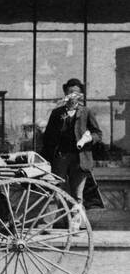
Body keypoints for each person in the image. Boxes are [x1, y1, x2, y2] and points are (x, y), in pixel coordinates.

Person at [41, 78, 104, 218]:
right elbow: (48, 138)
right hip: (61, 158)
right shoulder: (57, 113)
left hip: (80, 159)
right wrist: (48, 157)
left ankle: (75, 224)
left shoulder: (86, 112)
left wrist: (89, 138)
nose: (73, 95)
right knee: (56, 190)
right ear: (65, 94)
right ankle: (55, 223)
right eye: (70, 92)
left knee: (77, 194)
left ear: (80, 95)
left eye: (76, 93)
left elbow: (98, 134)